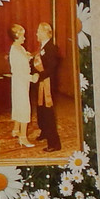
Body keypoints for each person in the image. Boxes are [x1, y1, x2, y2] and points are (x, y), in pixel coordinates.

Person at [32, 21, 63, 152]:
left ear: (45, 32)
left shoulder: (51, 47)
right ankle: (44, 132)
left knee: (48, 113)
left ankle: (54, 144)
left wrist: (39, 75)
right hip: (41, 84)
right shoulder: (42, 47)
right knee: (41, 110)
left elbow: (51, 68)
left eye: (38, 31)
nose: (36, 34)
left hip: (48, 85)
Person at [6, 24, 36, 149]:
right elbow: (19, 71)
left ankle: (16, 129)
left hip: (22, 82)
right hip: (20, 81)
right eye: (23, 35)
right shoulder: (15, 51)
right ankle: (23, 137)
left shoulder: (20, 48)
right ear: (16, 36)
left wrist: (29, 56)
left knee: (19, 105)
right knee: (24, 107)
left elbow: (24, 60)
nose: (25, 38)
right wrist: (31, 78)